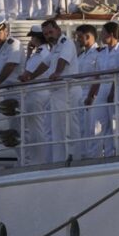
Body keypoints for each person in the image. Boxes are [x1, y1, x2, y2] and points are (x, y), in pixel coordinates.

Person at [42, 18, 79, 162]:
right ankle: (59, 160)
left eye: (50, 32)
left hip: (67, 91)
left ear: (57, 30)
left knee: (69, 128)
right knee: (57, 129)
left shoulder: (66, 43)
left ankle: (74, 159)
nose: (49, 36)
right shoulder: (55, 47)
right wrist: (29, 75)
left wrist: (57, 73)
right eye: (45, 34)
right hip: (56, 92)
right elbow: (45, 64)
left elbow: (62, 61)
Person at [85, 21, 119, 157]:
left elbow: (118, 73)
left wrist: (113, 91)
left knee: (113, 124)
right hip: (102, 88)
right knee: (97, 122)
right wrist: (90, 95)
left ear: (111, 34)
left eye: (103, 33)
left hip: (115, 86)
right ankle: (94, 155)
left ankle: (112, 154)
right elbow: (97, 75)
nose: (101, 36)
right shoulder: (102, 53)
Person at [17, 30, 52, 165]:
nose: (31, 40)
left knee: (36, 130)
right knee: (39, 128)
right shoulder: (41, 52)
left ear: (36, 38)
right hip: (40, 93)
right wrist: (29, 53)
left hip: (36, 93)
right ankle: (39, 160)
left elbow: (26, 74)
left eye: (32, 37)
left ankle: (38, 161)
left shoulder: (40, 53)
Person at [72, 24, 102, 158]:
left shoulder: (98, 54)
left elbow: (99, 75)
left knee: (93, 129)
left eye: (79, 37)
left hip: (92, 94)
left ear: (88, 36)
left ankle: (94, 157)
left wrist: (92, 95)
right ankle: (84, 156)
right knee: (82, 129)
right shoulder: (81, 55)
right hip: (80, 94)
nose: (77, 39)